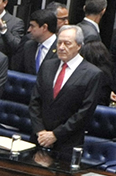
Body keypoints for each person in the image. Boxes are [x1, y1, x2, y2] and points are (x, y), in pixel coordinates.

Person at [28, 28, 106, 167]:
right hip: (39, 139)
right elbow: (35, 101)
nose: (62, 47)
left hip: (67, 144)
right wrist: (40, 131)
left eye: (67, 43)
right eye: (59, 43)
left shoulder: (92, 74)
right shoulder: (47, 66)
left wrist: (55, 135)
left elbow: (84, 112)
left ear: (79, 46)